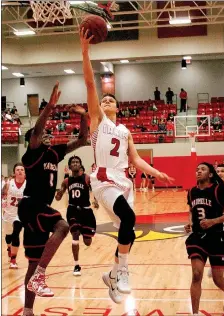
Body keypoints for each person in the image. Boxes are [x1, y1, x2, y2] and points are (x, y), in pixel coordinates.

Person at [80, 28, 174, 304]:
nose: (106, 100)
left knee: (128, 231)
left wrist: (156, 172)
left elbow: (135, 160)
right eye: (104, 99)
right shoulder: (98, 121)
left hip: (124, 183)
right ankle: (123, 271)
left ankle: (112, 275)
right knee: (130, 220)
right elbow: (88, 85)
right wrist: (85, 52)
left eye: (111, 100)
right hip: (103, 181)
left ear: (118, 108)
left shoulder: (125, 131)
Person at [17, 82, 88, 316]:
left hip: (39, 208)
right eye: (41, 134)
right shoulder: (32, 153)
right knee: (63, 226)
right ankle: (40, 275)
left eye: (48, 133)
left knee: (32, 261)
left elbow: (81, 140)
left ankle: (28, 310)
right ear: (32, 141)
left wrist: (84, 117)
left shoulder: (54, 153)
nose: (46, 134)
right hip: (30, 204)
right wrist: (49, 108)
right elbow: (37, 130)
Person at [184, 162, 224, 315]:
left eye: (202, 169)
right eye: (197, 169)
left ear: (210, 174)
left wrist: (213, 221)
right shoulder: (192, 191)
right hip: (197, 238)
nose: (198, 171)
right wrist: (189, 222)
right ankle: (195, 313)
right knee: (196, 274)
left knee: (218, 279)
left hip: (216, 237)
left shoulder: (219, 189)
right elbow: (190, 210)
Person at [55, 156, 96, 276]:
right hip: (73, 210)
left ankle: (85, 231)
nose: (75, 163)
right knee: (75, 234)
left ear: (80, 165)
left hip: (86, 211)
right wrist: (57, 194)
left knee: (88, 241)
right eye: (73, 162)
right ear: (70, 166)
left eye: (77, 162)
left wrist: (96, 201)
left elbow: (95, 191)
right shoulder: (66, 181)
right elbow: (59, 196)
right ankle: (76, 265)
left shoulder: (87, 178)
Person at [2, 163, 26, 269]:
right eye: (18, 169)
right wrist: (3, 200)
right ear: (14, 172)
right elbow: (2, 194)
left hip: (20, 215)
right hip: (8, 214)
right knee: (8, 237)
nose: (20, 171)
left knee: (16, 233)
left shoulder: (28, 184)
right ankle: (9, 248)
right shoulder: (8, 183)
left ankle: (13, 259)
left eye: (22, 169)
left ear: (25, 172)